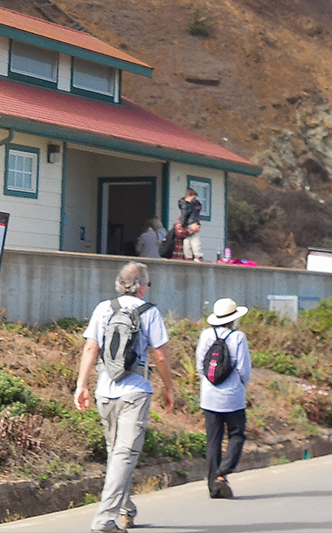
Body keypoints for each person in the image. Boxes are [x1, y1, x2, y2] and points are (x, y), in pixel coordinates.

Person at [75, 261, 177, 533]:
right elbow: (161, 355)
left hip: (104, 392)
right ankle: (104, 520)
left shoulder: (103, 308)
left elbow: (90, 348)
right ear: (141, 286)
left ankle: (125, 509)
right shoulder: (150, 312)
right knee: (123, 454)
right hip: (135, 391)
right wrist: (169, 388)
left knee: (117, 454)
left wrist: (81, 385)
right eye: (148, 284)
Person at [196, 297, 252, 498]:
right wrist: (239, 385)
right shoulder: (238, 337)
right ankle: (222, 474)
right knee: (237, 434)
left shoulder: (205, 335)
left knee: (213, 440)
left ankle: (213, 487)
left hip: (209, 396)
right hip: (232, 397)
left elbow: (200, 366)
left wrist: (210, 383)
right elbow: (244, 370)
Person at [177, 185, 205, 261]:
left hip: (189, 223)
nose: (195, 200)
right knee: (194, 241)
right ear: (189, 196)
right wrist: (182, 224)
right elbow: (184, 215)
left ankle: (188, 257)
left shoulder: (190, 205)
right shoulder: (187, 205)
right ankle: (197, 256)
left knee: (188, 242)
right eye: (193, 198)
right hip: (191, 223)